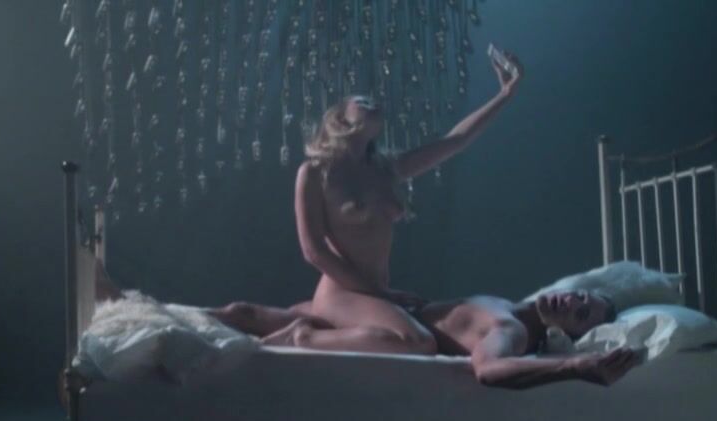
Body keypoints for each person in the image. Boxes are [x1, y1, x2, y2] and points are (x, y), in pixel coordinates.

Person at [293, 50, 526, 357]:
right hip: (341, 292)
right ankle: (304, 338)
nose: (372, 103)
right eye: (361, 100)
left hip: (376, 293)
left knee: (427, 336)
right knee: (421, 342)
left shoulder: (386, 168)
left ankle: (308, 327)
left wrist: (505, 95)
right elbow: (313, 252)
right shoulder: (314, 173)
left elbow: (456, 140)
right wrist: (382, 294)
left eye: (374, 102)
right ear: (339, 117)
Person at [95, 262, 642, 390]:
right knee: (244, 312)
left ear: (568, 333)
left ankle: (127, 311)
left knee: (254, 319)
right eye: (582, 294)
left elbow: (490, 370)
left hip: (379, 329)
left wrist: (576, 367)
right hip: (374, 313)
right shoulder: (509, 303)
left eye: (581, 312)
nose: (573, 299)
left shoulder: (514, 332)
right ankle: (124, 303)